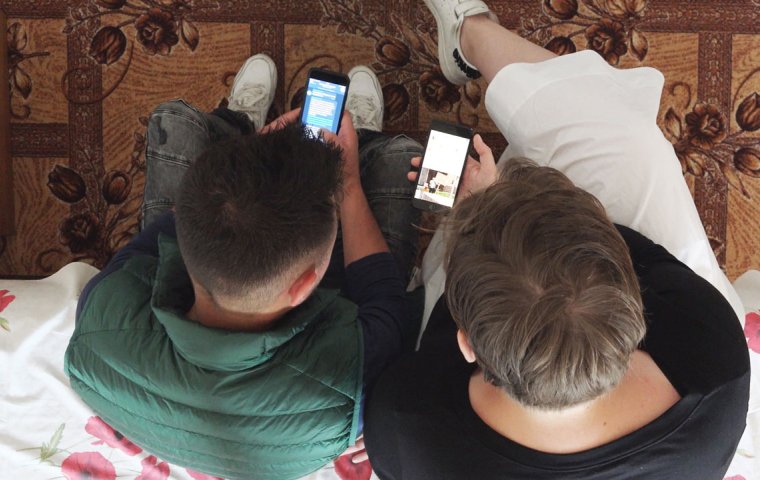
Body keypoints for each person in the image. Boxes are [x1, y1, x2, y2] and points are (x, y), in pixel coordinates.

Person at [362, 1, 751, 478]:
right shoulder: (718, 368)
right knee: (630, 145)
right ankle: (472, 36)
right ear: (632, 299)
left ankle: (473, 33)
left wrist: (477, 209)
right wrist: (491, 206)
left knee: (617, 146)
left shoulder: (407, 427)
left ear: (466, 347)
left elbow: (423, 356)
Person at [64, 54, 424, 480]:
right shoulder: (353, 383)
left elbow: (164, 231)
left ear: (179, 246)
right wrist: (344, 182)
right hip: (317, 357)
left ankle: (238, 124)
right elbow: (382, 296)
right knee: (402, 158)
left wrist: (249, 153)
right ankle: (360, 140)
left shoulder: (99, 320)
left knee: (173, 120)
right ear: (309, 283)